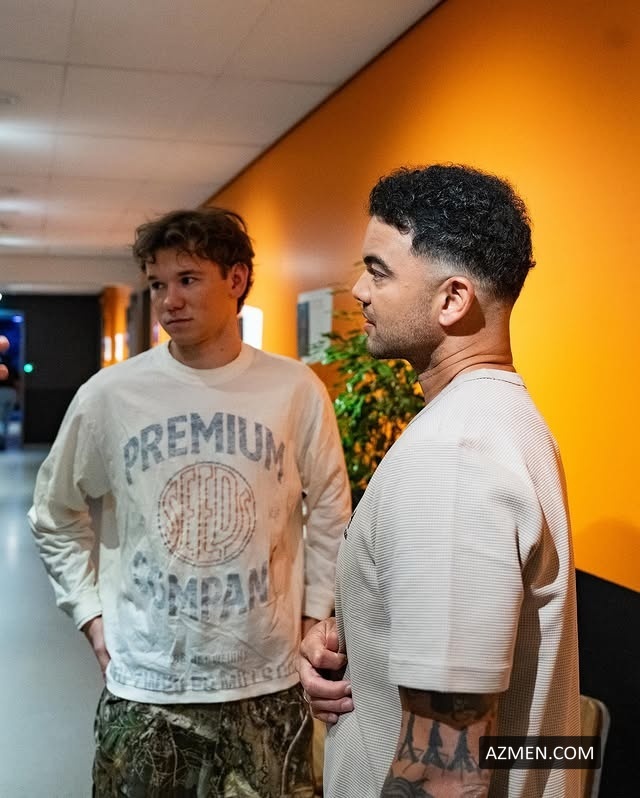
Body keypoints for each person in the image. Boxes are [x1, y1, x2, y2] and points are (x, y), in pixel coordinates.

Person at [28, 208, 351, 797]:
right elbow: (54, 512)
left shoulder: (295, 390)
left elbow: (331, 508)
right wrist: (89, 614)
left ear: (236, 279)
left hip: (267, 684)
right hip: (148, 687)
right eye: (157, 284)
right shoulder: (110, 396)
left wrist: (314, 616)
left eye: (187, 279)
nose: (169, 300)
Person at [298, 165, 580, 797]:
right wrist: (362, 643)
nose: (357, 290)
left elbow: (445, 771)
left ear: (452, 299)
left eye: (378, 271)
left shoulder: (453, 455)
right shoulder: (502, 418)